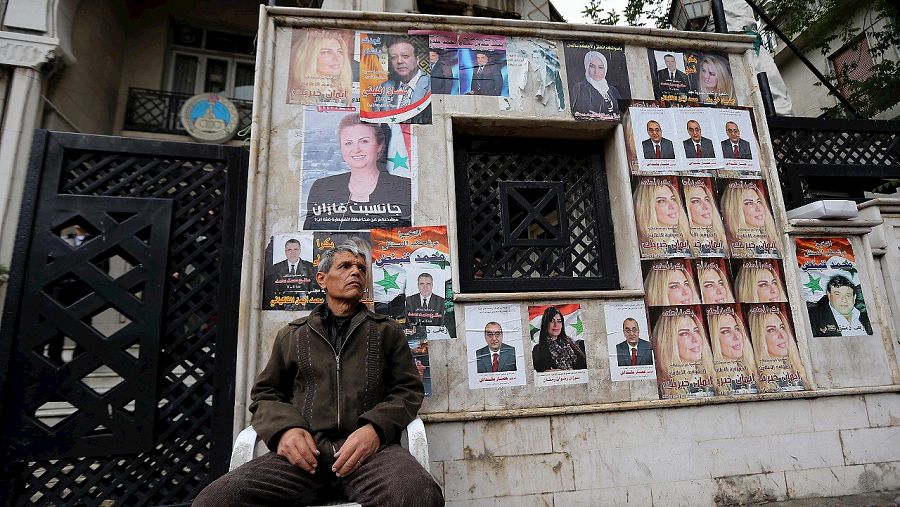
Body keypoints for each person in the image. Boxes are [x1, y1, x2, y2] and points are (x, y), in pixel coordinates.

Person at [193, 241, 444, 506]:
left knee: (419, 495)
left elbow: (408, 390)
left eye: (360, 268)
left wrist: (375, 429)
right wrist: (285, 430)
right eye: (345, 266)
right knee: (216, 499)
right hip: (305, 458)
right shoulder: (292, 334)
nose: (356, 272)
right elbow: (266, 394)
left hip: (371, 455)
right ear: (322, 279)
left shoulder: (386, 331)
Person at [303, 114, 411, 230]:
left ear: (379, 146)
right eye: (348, 143)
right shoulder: (322, 188)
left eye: (364, 141)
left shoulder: (405, 188)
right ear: (341, 147)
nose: (356, 150)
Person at [652, 311, 716, 398]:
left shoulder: (712, 379)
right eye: (684, 333)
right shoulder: (660, 387)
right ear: (668, 341)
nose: (695, 339)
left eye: (696, 331)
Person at [749, 307, 809, 391]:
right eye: (771, 330)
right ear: (759, 337)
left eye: (782, 327)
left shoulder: (802, 369)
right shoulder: (754, 378)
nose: (782, 335)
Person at [288, 29, 353, 105]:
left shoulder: (347, 94)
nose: (337, 58)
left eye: (339, 52)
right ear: (309, 57)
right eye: (326, 52)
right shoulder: (297, 96)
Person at [633, 177, 692, 258]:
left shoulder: (691, 243)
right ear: (647, 207)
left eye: (673, 199)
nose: (672, 206)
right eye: (661, 201)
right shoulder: (638, 248)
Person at [720, 182, 779, 257]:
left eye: (759, 201)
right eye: (749, 203)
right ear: (735, 209)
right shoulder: (729, 248)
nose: (759, 208)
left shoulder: (775, 240)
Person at [708, 309, 758, 395]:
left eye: (737, 329)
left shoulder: (755, 374)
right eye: (726, 331)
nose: (736, 337)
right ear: (714, 338)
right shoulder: (708, 383)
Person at [374, 38, 431, 111]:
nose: (399, 61)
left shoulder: (432, 86)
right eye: (394, 57)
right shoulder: (384, 87)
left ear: (417, 60)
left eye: (405, 56)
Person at [807, 275, 873, 336]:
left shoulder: (866, 317)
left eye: (848, 295)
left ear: (854, 297)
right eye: (838, 294)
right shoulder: (813, 317)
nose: (844, 300)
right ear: (829, 295)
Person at [532, 306, 587, 372]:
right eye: (552, 321)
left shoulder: (573, 344)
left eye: (559, 321)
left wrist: (565, 371)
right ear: (546, 324)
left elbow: (585, 366)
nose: (556, 325)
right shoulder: (538, 350)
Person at [570, 51, 621, 117]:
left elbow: (622, 114)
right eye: (592, 66)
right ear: (587, 67)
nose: (596, 71)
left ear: (605, 69)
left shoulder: (613, 91)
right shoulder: (579, 88)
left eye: (600, 67)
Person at [682, 180, 727, 255]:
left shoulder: (723, 239)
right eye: (696, 201)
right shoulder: (682, 244)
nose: (706, 207)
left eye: (707, 200)